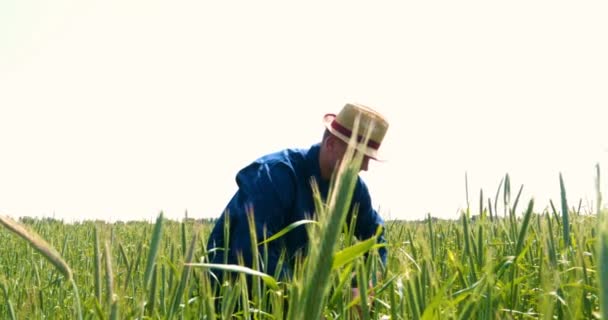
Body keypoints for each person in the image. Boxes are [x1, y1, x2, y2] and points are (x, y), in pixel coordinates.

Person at [206, 102, 389, 289]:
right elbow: (251, 250)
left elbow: (377, 239)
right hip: (232, 291)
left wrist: (365, 287)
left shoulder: (353, 189)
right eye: (359, 156)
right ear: (331, 144)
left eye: (368, 159)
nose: (365, 167)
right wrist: (305, 299)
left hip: (292, 297)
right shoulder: (275, 175)